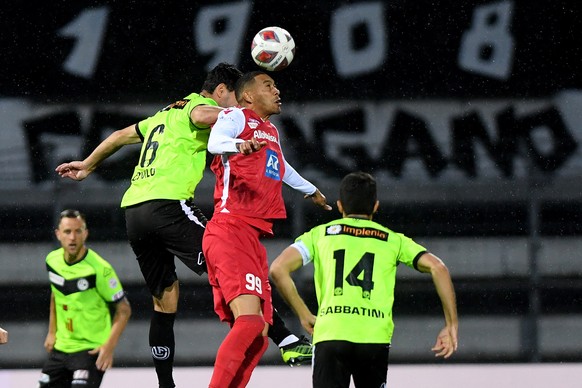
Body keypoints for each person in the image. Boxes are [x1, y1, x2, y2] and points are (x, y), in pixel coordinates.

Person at [55, 63, 313, 388]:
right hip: (169, 206)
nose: (236, 108)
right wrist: (248, 118)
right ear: (221, 91)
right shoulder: (200, 108)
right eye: (235, 98)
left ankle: (166, 386)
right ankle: (289, 342)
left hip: (135, 211)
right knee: (235, 262)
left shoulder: (162, 114)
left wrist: (87, 166)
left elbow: (121, 135)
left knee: (165, 301)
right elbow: (207, 116)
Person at [202, 70, 332, 387]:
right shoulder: (235, 116)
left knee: (260, 334)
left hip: (251, 239)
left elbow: (280, 166)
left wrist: (309, 189)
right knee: (248, 324)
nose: (277, 91)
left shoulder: (270, 130)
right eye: (268, 86)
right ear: (248, 95)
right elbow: (215, 142)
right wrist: (238, 144)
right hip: (230, 228)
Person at [269, 172, 459, 388]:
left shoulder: (319, 235)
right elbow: (439, 268)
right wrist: (451, 324)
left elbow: (277, 269)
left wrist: (303, 314)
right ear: (376, 206)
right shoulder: (393, 240)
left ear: (340, 206)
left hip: (331, 333)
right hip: (373, 338)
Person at [39, 209, 131, 388]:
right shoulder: (52, 260)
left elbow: (124, 309)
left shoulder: (100, 269)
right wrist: (52, 332)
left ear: (86, 233)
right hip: (62, 348)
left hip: (90, 349)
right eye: (67, 232)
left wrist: (109, 346)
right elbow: (55, 294)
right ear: (58, 234)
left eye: (78, 231)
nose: (72, 237)